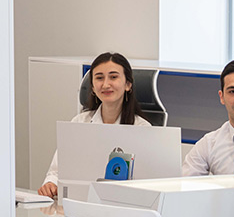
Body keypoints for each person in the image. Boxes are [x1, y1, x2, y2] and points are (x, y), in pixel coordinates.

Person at [38, 52, 151, 198]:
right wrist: (50, 184)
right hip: (81, 202)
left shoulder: (143, 129)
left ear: (128, 84)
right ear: (92, 87)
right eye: (99, 78)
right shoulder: (79, 123)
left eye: (113, 77)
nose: (105, 84)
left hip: (124, 204)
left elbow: (148, 183)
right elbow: (56, 171)